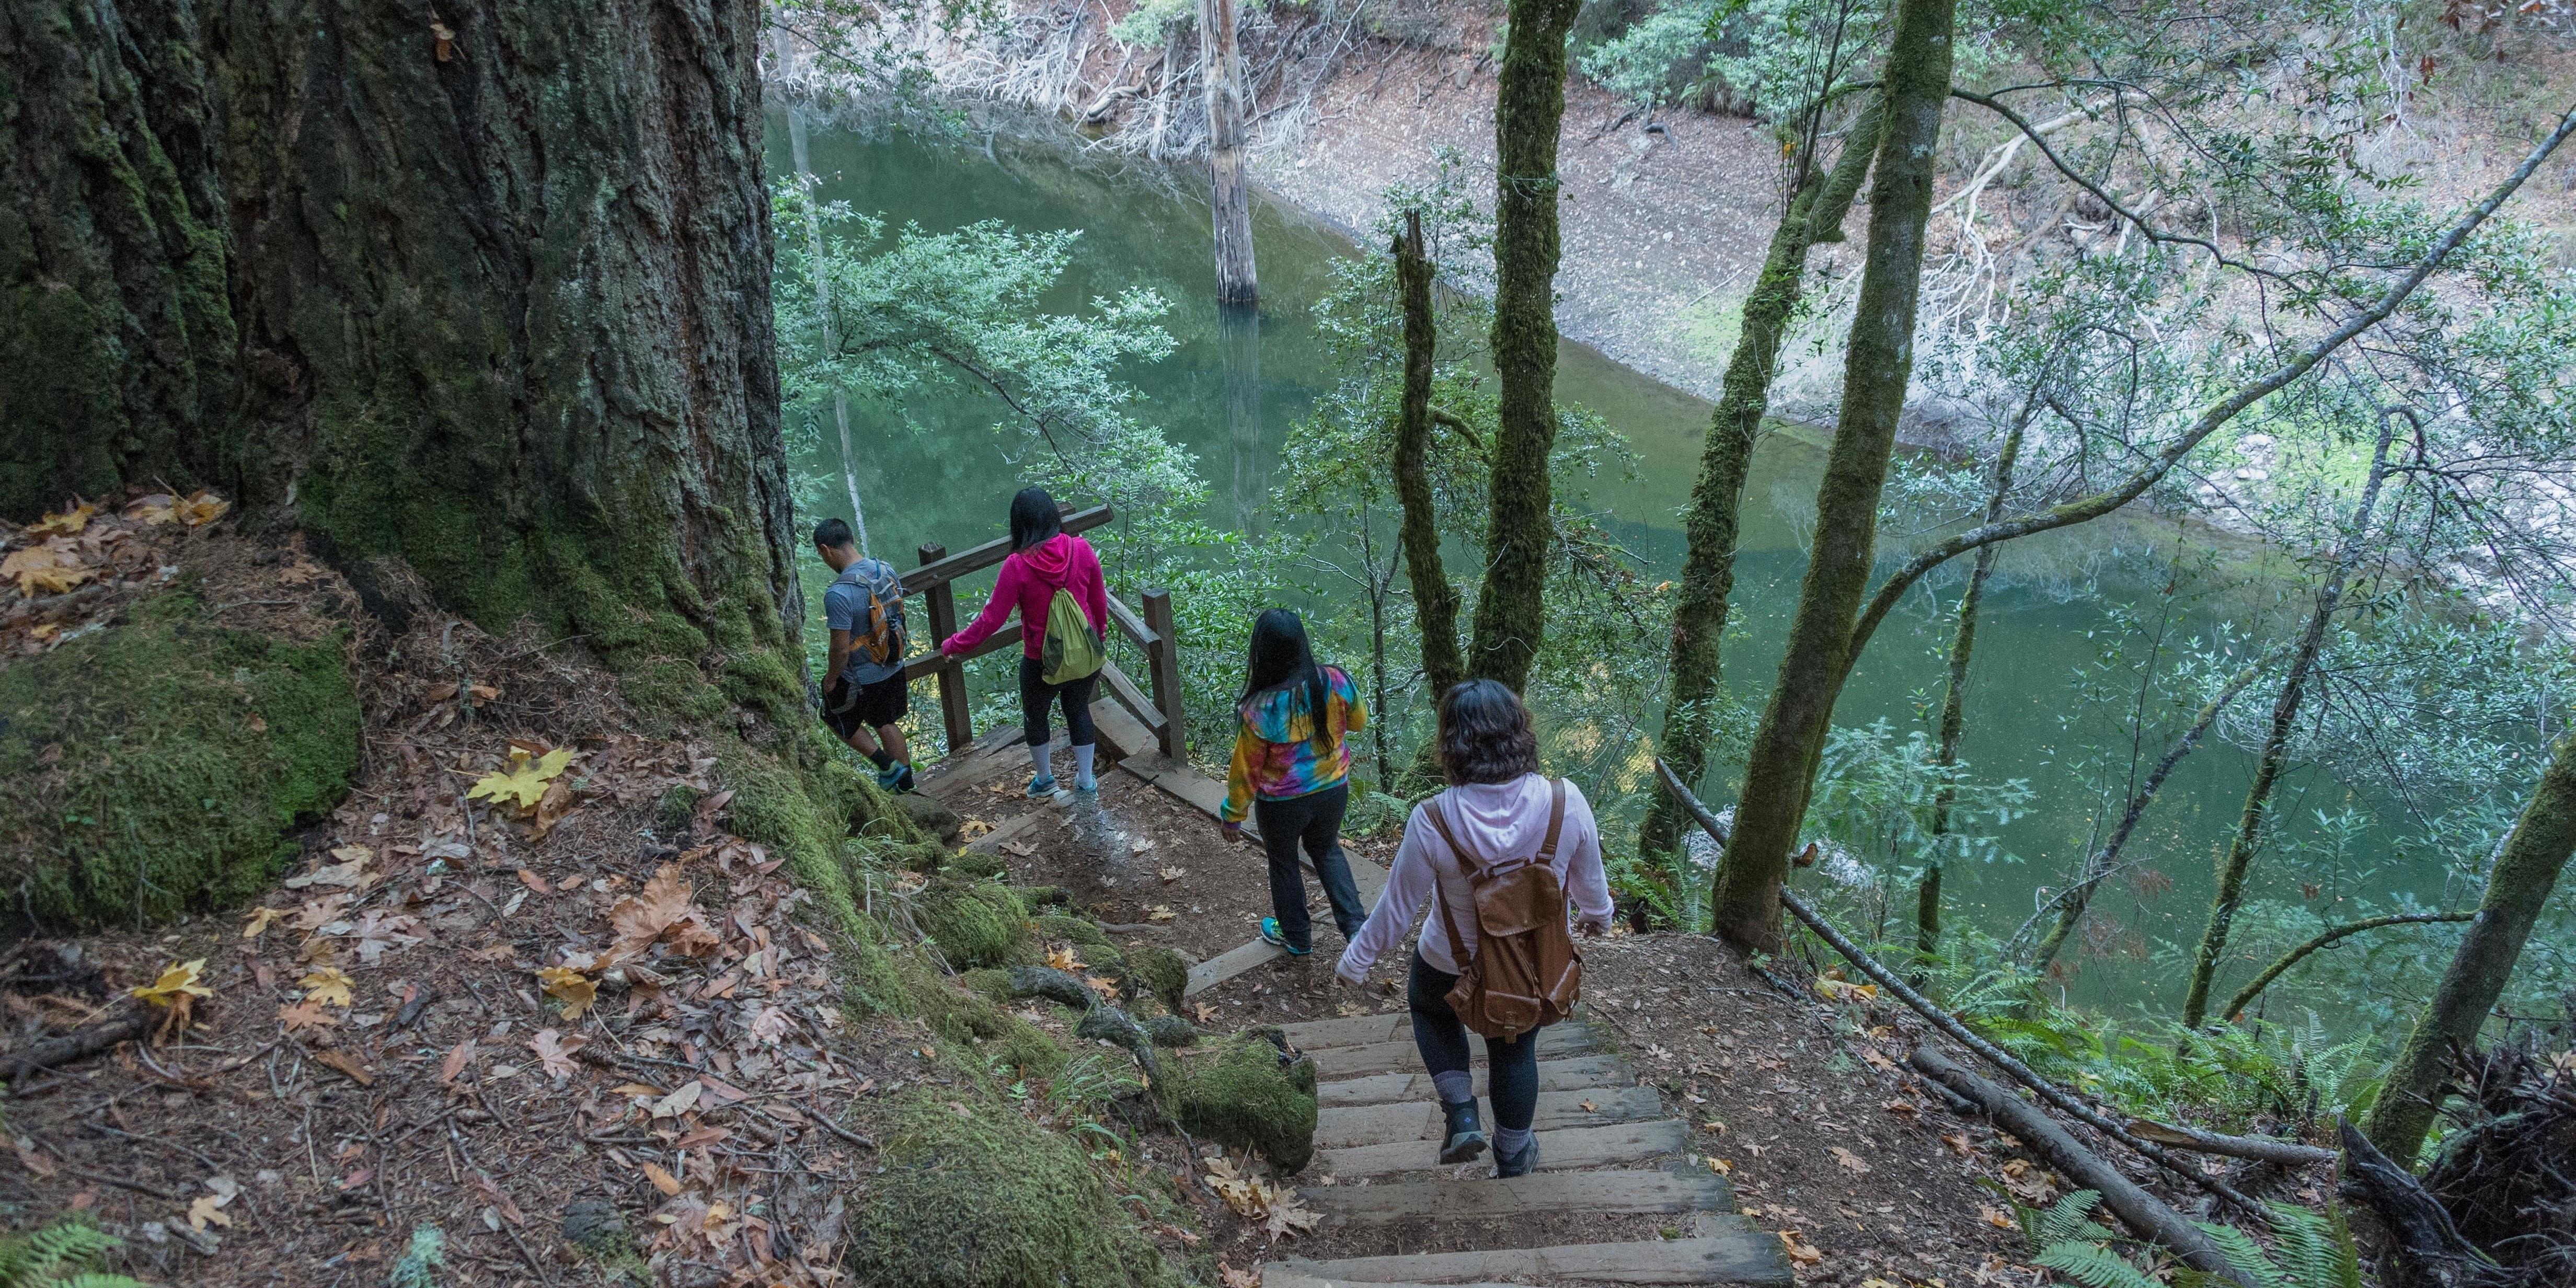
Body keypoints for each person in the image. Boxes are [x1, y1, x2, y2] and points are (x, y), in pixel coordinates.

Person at [1336, 680, 1613, 1178]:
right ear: (1520, 735)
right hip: (1530, 968)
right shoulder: (1564, 801)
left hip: (1452, 962)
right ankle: (1512, 1155)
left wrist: (1356, 961)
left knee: (1428, 1007)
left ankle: (1462, 1114)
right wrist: (1599, 918)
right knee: (1515, 1049)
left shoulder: (1433, 819)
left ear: (1452, 744)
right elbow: (1591, 886)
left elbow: (1398, 909)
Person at [940, 487, 1110, 797]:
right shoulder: (1082, 550)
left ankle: (1046, 781)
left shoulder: (1016, 566)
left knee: (1036, 717)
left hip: (1040, 660)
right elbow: (1099, 601)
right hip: (1086, 655)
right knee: (1079, 711)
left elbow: (991, 620)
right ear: (1053, 516)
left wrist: (954, 644)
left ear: (1019, 525)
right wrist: (1100, 635)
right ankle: (1086, 783)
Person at [1221, 610, 1371, 957]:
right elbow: (1360, 721)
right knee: (1327, 850)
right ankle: (1357, 931)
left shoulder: (1259, 709)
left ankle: (1298, 939)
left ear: (1262, 652)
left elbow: (1247, 770)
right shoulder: (1334, 680)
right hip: (1333, 791)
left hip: (1281, 806)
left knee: (1284, 862)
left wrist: (1234, 814)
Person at [815, 518, 916, 792]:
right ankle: (906, 787)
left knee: (833, 716)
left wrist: (831, 680)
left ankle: (887, 765)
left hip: (864, 677)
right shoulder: (885, 569)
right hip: (894, 663)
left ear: (826, 550)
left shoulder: (839, 593)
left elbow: (839, 648)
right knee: (885, 722)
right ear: (852, 540)